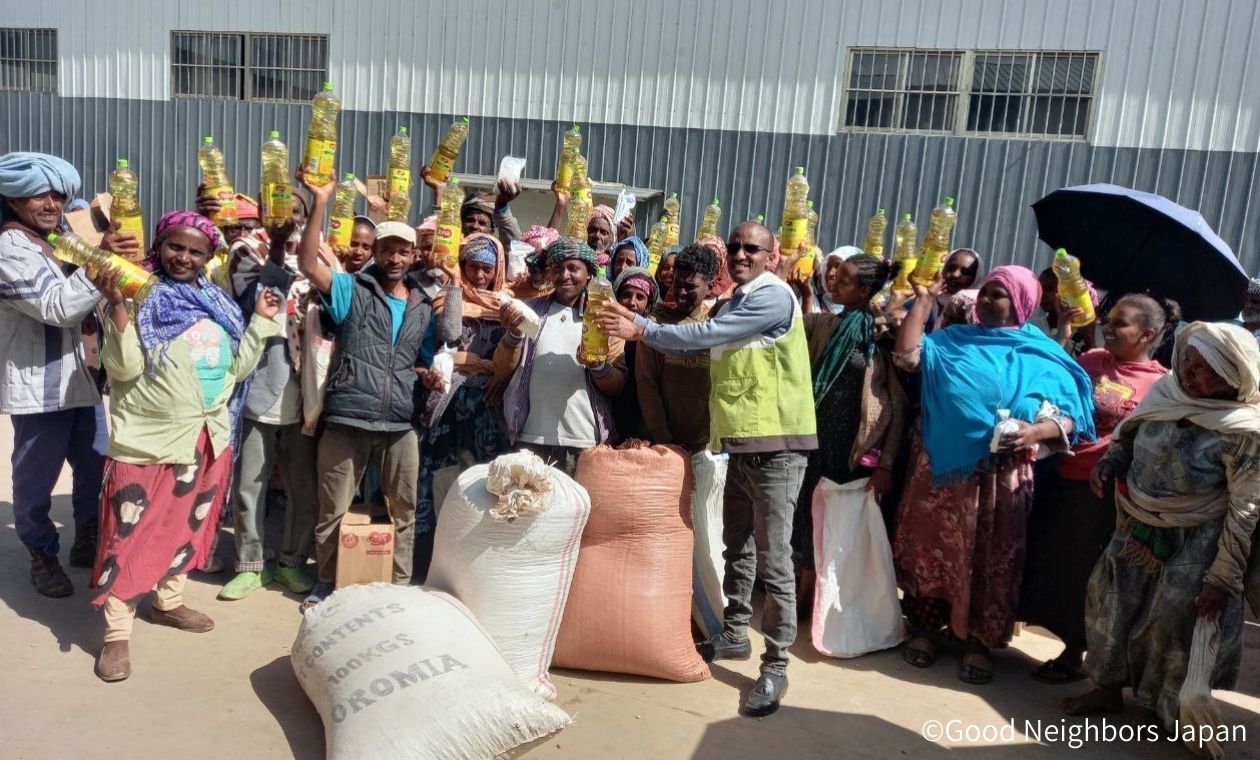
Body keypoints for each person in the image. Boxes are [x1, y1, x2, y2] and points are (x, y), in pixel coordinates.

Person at [599, 221, 816, 717]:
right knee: (735, 544)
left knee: (774, 560)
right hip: (740, 443)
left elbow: (708, 336)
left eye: (752, 249)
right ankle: (736, 635)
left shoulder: (772, 297)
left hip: (778, 444)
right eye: (735, 248)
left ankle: (776, 664)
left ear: (773, 255)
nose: (741, 255)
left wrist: (645, 329)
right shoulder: (738, 299)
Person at [92, 210, 282, 682]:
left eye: (197, 251)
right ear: (160, 243)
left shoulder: (215, 300)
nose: (185, 257)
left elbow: (235, 372)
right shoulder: (138, 292)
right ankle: (116, 631)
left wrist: (258, 323)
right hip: (151, 440)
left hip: (207, 439)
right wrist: (116, 306)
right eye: (176, 246)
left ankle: (168, 601)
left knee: (188, 526)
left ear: (208, 257)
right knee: (128, 534)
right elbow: (123, 370)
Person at [891, 265, 1096, 685]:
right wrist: (925, 302)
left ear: (1022, 303)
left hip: (1003, 476)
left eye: (1000, 295)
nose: (987, 300)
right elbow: (908, 356)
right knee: (934, 551)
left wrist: (1034, 431)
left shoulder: (1042, 353)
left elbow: (1071, 416)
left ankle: (980, 643)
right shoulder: (951, 341)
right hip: (943, 471)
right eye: (986, 292)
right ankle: (929, 630)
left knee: (993, 557)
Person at [1064, 322, 1260, 731]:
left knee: (1173, 622)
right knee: (1111, 604)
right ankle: (1106, 687)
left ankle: (1166, 708)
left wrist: (1223, 576)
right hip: (1136, 527)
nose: (1189, 372)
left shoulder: (1245, 430)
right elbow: (1128, 436)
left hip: (1198, 539)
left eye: (1204, 367)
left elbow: (1247, 507)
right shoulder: (1166, 393)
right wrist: (1110, 463)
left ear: (1233, 374)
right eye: (1187, 359)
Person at [296, 172, 460, 609]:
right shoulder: (353, 288)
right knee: (333, 509)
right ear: (376, 253)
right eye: (386, 249)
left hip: (400, 420)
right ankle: (326, 583)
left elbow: (434, 348)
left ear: (412, 255)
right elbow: (309, 263)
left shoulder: (423, 302)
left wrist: (425, 374)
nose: (394, 257)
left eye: (403, 250)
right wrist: (320, 201)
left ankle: (400, 586)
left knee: (405, 510)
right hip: (349, 414)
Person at [1020, 294, 1176, 684]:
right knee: (1045, 557)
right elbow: (1048, 381)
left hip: (1099, 492)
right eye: (1109, 318)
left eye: (1121, 323)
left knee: (1083, 571)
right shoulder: (1091, 361)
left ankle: (1074, 653)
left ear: (1148, 334)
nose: (1109, 326)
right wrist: (1066, 331)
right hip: (1058, 472)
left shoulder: (1160, 385)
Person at [0, 151, 123, 597]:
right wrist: (99, 264)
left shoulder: (61, 234)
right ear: (14, 201)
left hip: (83, 380)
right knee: (35, 479)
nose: (50, 203)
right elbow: (58, 307)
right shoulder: (9, 248)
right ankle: (41, 553)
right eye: (38, 195)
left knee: (95, 465)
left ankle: (85, 538)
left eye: (57, 194)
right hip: (40, 387)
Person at [791, 255, 908, 609]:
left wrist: (886, 463)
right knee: (807, 515)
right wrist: (798, 289)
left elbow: (898, 405)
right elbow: (791, 327)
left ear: (864, 289)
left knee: (840, 523)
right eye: (835, 277)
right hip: (816, 438)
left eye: (844, 280)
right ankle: (805, 589)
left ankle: (833, 600)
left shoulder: (882, 334)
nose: (835, 284)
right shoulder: (828, 325)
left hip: (854, 447)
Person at [219, 220, 321, 600]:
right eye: (281, 206)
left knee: (303, 488)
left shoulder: (320, 253)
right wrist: (277, 249)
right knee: (250, 486)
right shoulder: (246, 251)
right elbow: (255, 300)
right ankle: (250, 565)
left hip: (304, 394)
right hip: (259, 390)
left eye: (297, 211)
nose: (288, 217)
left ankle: (292, 562)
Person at [414, 232, 513, 578]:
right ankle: (430, 570)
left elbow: (508, 359)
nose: (481, 276)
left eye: (488, 268)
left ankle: (475, 573)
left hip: (489, 408)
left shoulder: (506, 304)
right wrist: (455, 283)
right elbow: (451, 334)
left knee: (482, 492)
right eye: (473, 267)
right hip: (449, 405)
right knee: (442, 484)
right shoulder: (448, 295)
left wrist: (474, 362)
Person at [495, 237, 626, 476]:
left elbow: (618, 385)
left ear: (589, 274)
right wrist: (513, 335)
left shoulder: (606, 317)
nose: (565, 275)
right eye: (557, 269)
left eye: (573, 268)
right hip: (531, 437)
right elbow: (501, 371)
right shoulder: (530, 310)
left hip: (583, 441)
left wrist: (598, 367)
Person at [637, 244, 718, 453]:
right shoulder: (655, 324)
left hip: (704, 443)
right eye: (677, 283)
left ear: (710, 286)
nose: (681, 292)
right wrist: (662, 436)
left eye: (690, 287)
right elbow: (647, 385)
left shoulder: (717, 327)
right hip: (662, 443)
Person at [608, 266, 659, 441]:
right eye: (626, 295)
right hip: (611, 412)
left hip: (645, 416)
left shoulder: (654, 336)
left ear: (649, 303)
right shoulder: (605, 329)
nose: (632, 302)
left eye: (640, 297)